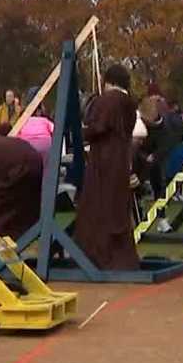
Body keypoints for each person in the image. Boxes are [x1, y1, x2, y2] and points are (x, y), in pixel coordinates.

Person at [74, 65, 140, 271]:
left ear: (108, 80)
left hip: (104, 162)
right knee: (118, 208)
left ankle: (99, 257)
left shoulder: (109, 100)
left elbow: (98, 127)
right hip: (121, 160)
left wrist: (78, 133)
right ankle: (122, 257)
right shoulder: (129, 103)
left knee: (99, 209)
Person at [13, 86, 55, 157]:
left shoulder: (23, 119)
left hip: (27, 146)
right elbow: (55, 130)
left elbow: (16, 134)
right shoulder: (44, 120)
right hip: (44, 145)